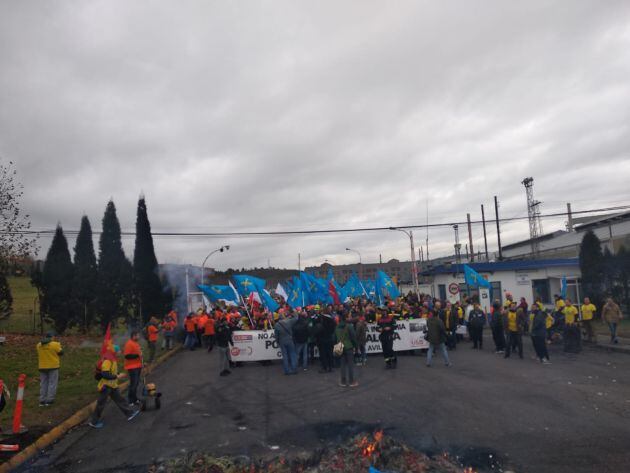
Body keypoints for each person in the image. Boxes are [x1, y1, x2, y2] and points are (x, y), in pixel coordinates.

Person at [89, 344, 140, 429]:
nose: (120, 352)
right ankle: (93, 422)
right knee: (101, 404)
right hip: (105, 386)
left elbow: (112, 371)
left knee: (120, 399)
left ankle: (129, 413)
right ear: (114, 352)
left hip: (112, 385)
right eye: (119, 350)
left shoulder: (113, 359)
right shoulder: (108, 361)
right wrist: (117, 376)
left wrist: (117, 374)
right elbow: (105, 374)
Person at [36, 333, 63, 407]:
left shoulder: (39, 345)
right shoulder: (55, 344)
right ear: (52, 337)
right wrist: (59, 346)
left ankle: (42, 400)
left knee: (43, 383)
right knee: (52, 383)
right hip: (53, 366)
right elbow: (61, 353)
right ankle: (49, 400)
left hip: (42, 366)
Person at [334, 313, 358, 387]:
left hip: (340, 347)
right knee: (350, 365)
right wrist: (356, 346)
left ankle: (343, 381)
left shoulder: (337, 327)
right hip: (348, 347)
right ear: (346, 318)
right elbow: (354, 337)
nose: (350, 318)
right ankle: (351, 382)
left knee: (342, 365)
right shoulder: (349, 326)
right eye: (349, 317)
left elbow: (334, 338)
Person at [123, 331, 143, 406]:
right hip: (132, 367)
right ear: (134, 336)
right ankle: (130, 400)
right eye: (138, 335)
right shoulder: (129, 344)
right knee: (133, 384)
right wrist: (137, 355)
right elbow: (127, 356)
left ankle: (135, 399)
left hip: (138, 366)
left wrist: (142, 362)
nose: (139, 337)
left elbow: (139, 353)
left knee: (136, 383)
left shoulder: (136, 343)